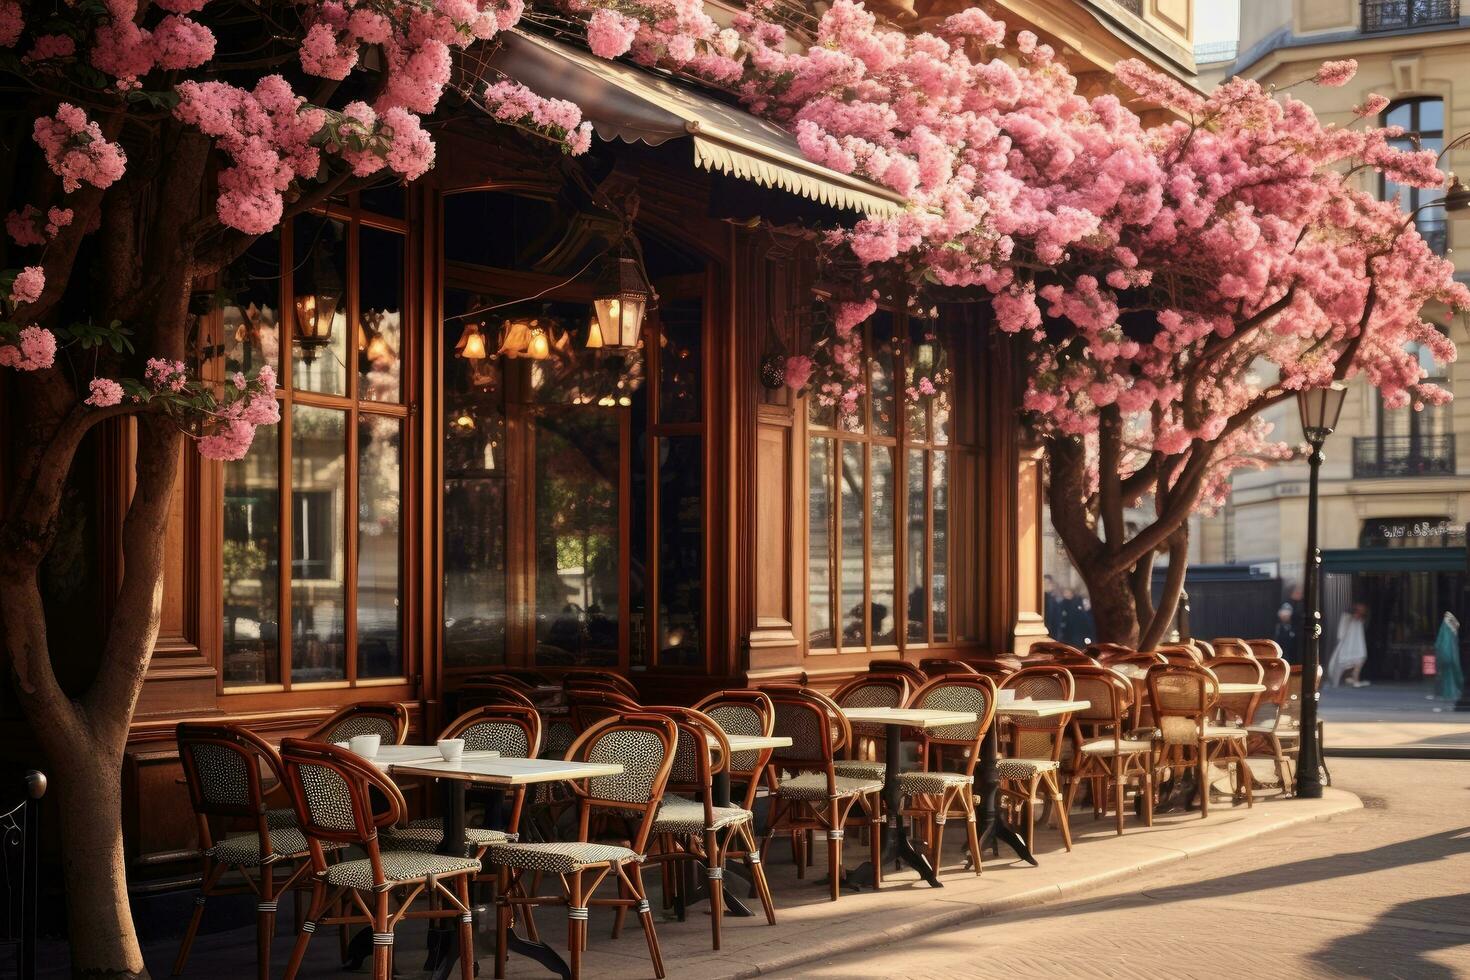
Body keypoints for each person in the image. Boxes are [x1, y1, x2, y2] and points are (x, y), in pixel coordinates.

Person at [1327, 603, 1369, 688]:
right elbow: (1341, 631)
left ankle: (1354, 679)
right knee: (1345, 661)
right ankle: (1348, 679)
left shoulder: (1359, 618)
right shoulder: (1347, 617)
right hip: (1348, 643)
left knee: (1359, 659)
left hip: (1354, 643)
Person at [1434, 611, 1463, 703]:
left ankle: (1448, 692)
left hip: (1446, 656)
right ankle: (1449, 692)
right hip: (1451, 657)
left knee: (1446, 675)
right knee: (1449, 675)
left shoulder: (1445, 628)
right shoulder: (1452, 629)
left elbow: (1440, 644)